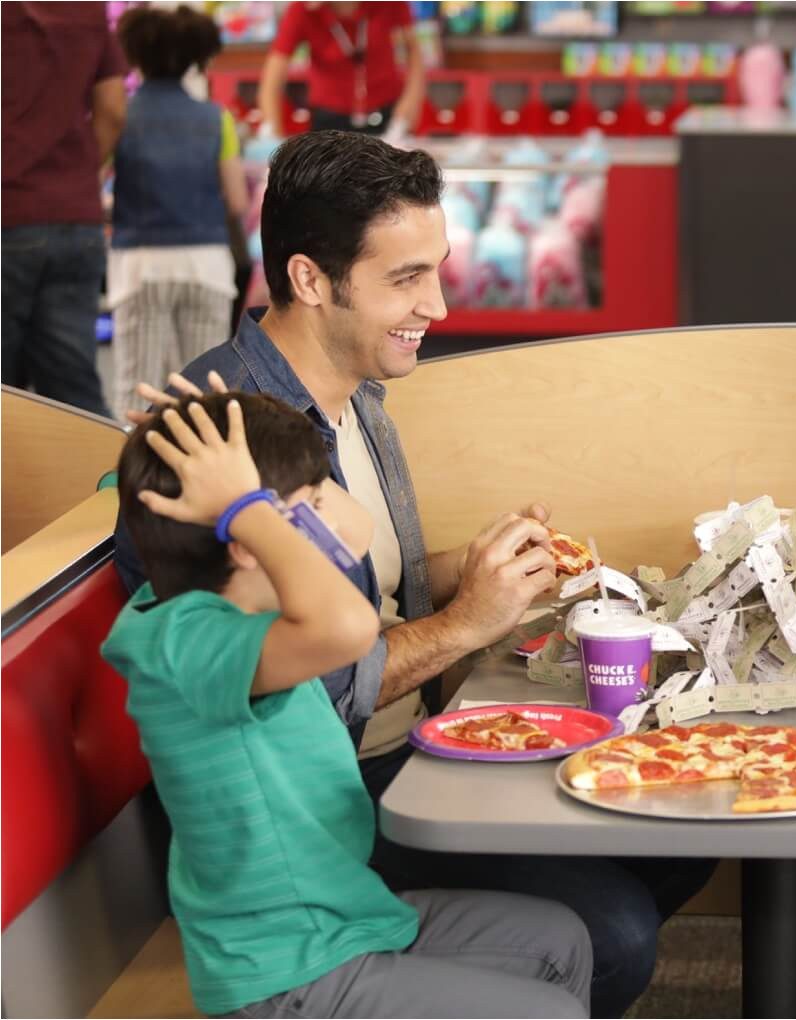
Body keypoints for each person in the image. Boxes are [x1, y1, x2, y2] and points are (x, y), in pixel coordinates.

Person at [112, 130, 713, 1019]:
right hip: (318, 809)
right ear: (313, 279)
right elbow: (300, 672)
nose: (436, 301)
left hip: (399, 756)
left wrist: (481, 571)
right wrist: (469, 622)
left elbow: (372, 589)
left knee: (680, 824)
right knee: (614, 929)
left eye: (438, 268)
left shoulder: (360, 389)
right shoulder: (227, 444)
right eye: (405, 277)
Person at [103, 390, 591, 1018]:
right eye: (312, 500)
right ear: (249, 538)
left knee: (562, 942)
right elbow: (349, 629)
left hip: (347, 917)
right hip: (282, 973)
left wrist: (235, 466)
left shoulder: (258, 613)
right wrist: (248, 503)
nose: (337, 506)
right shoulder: (188, 643)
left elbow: (351, 536)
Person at [108, 6, 248, 419]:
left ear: (134, 56)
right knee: (205, 388)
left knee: (138, 387)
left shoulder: (122, 117)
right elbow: (237, 201)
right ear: (194, 57)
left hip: (140, 263)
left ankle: (127, 478)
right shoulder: (215, 118)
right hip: (206, 264)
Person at [1, 2, 126, 417]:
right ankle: (95, 480)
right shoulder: (85, 10)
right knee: (72, 390)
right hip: (76, 216)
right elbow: (112, 106)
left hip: (8, 211)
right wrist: (81, 174)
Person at [258, 1, 425, 139]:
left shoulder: (390, 4)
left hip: (386, 114)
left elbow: (414, 52)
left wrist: (411, 99)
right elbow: (272, 77)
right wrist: (271, 132)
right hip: (328, 121)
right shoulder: (302, 10)